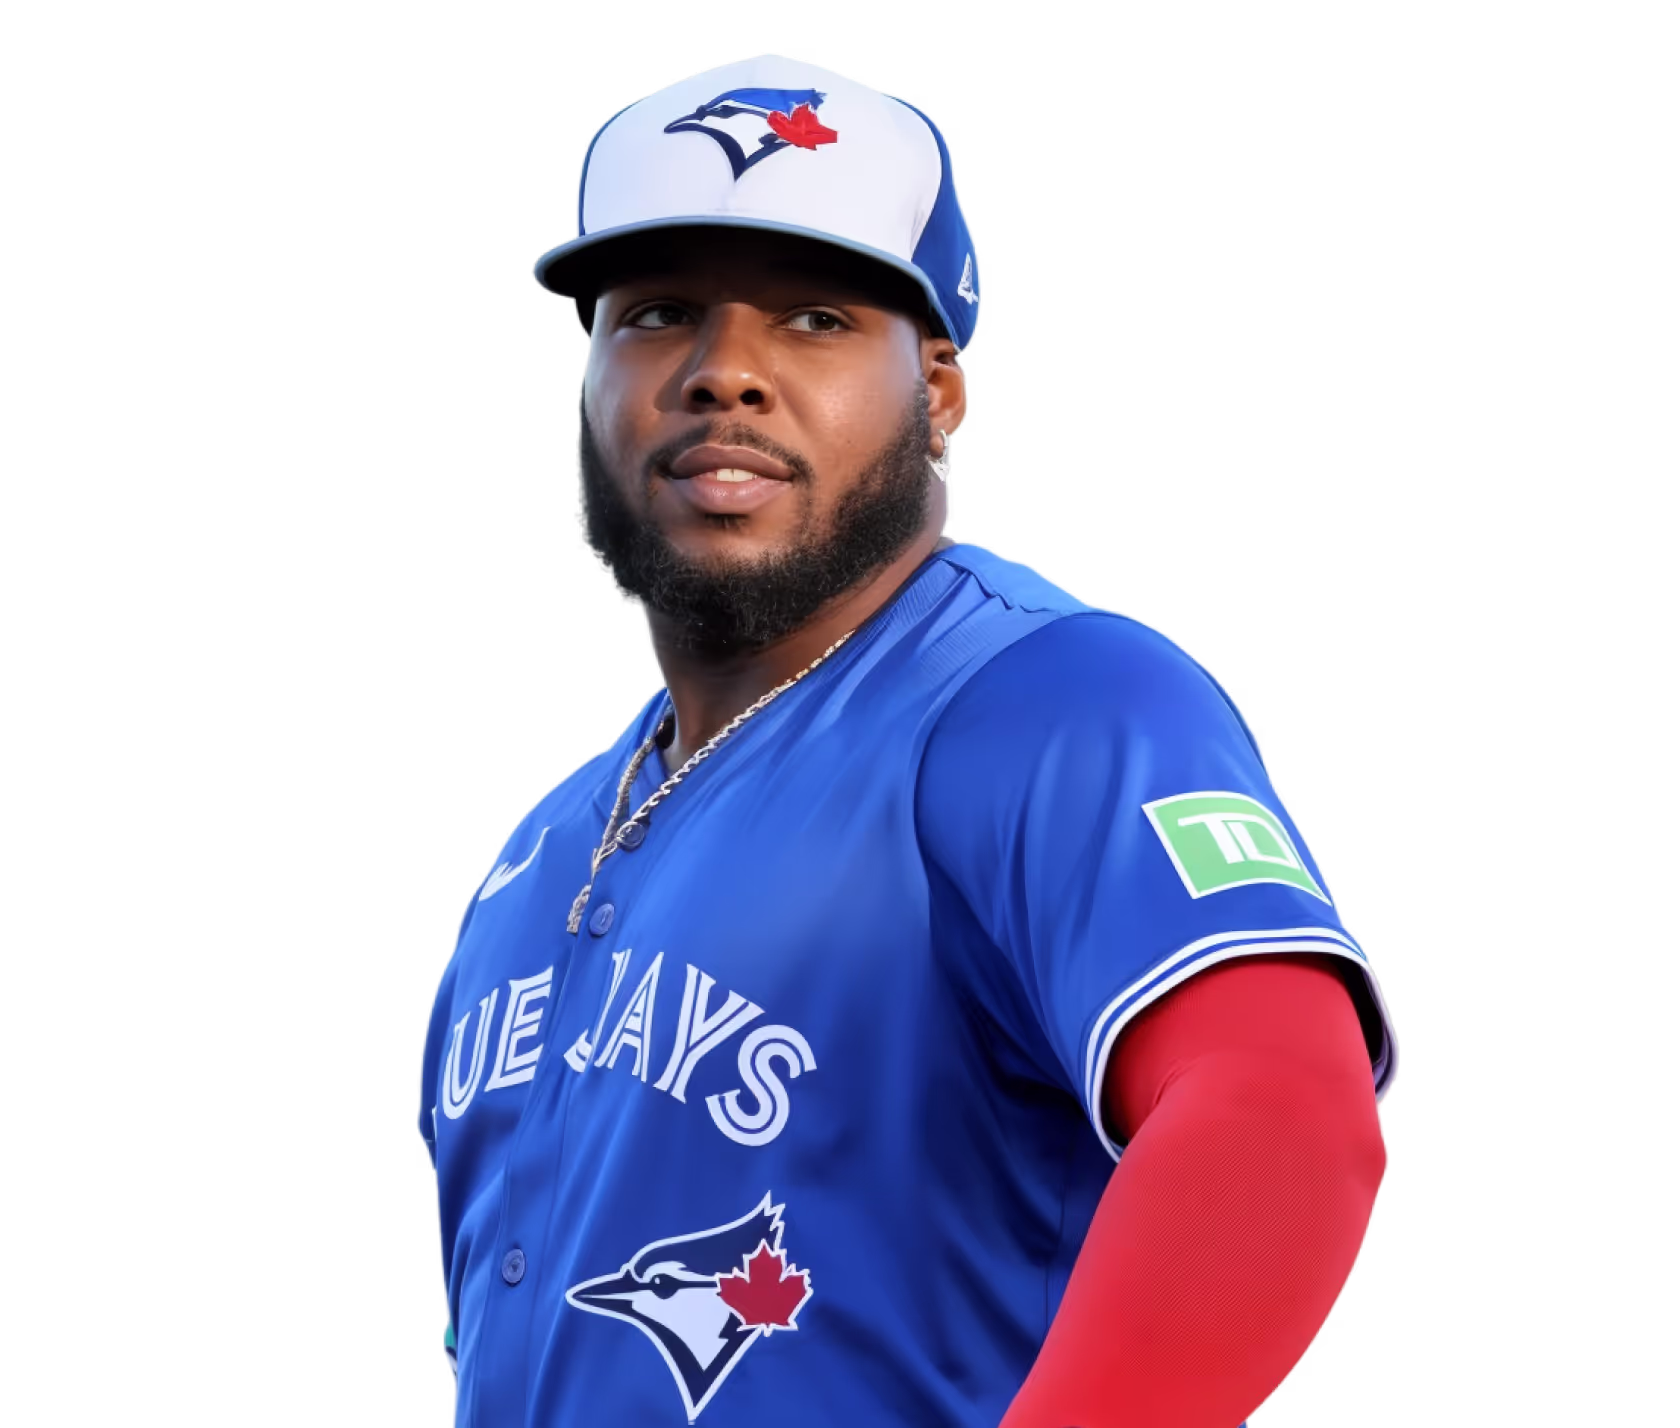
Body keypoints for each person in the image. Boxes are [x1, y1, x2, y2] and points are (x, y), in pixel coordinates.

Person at [417, 52, 1398, 1428]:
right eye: (659, 314)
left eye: (816, 318)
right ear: (587, 380)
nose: (724, 374)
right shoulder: (540, 847)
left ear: (940, 392)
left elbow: (1281, 1114)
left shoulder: (1048, 699)